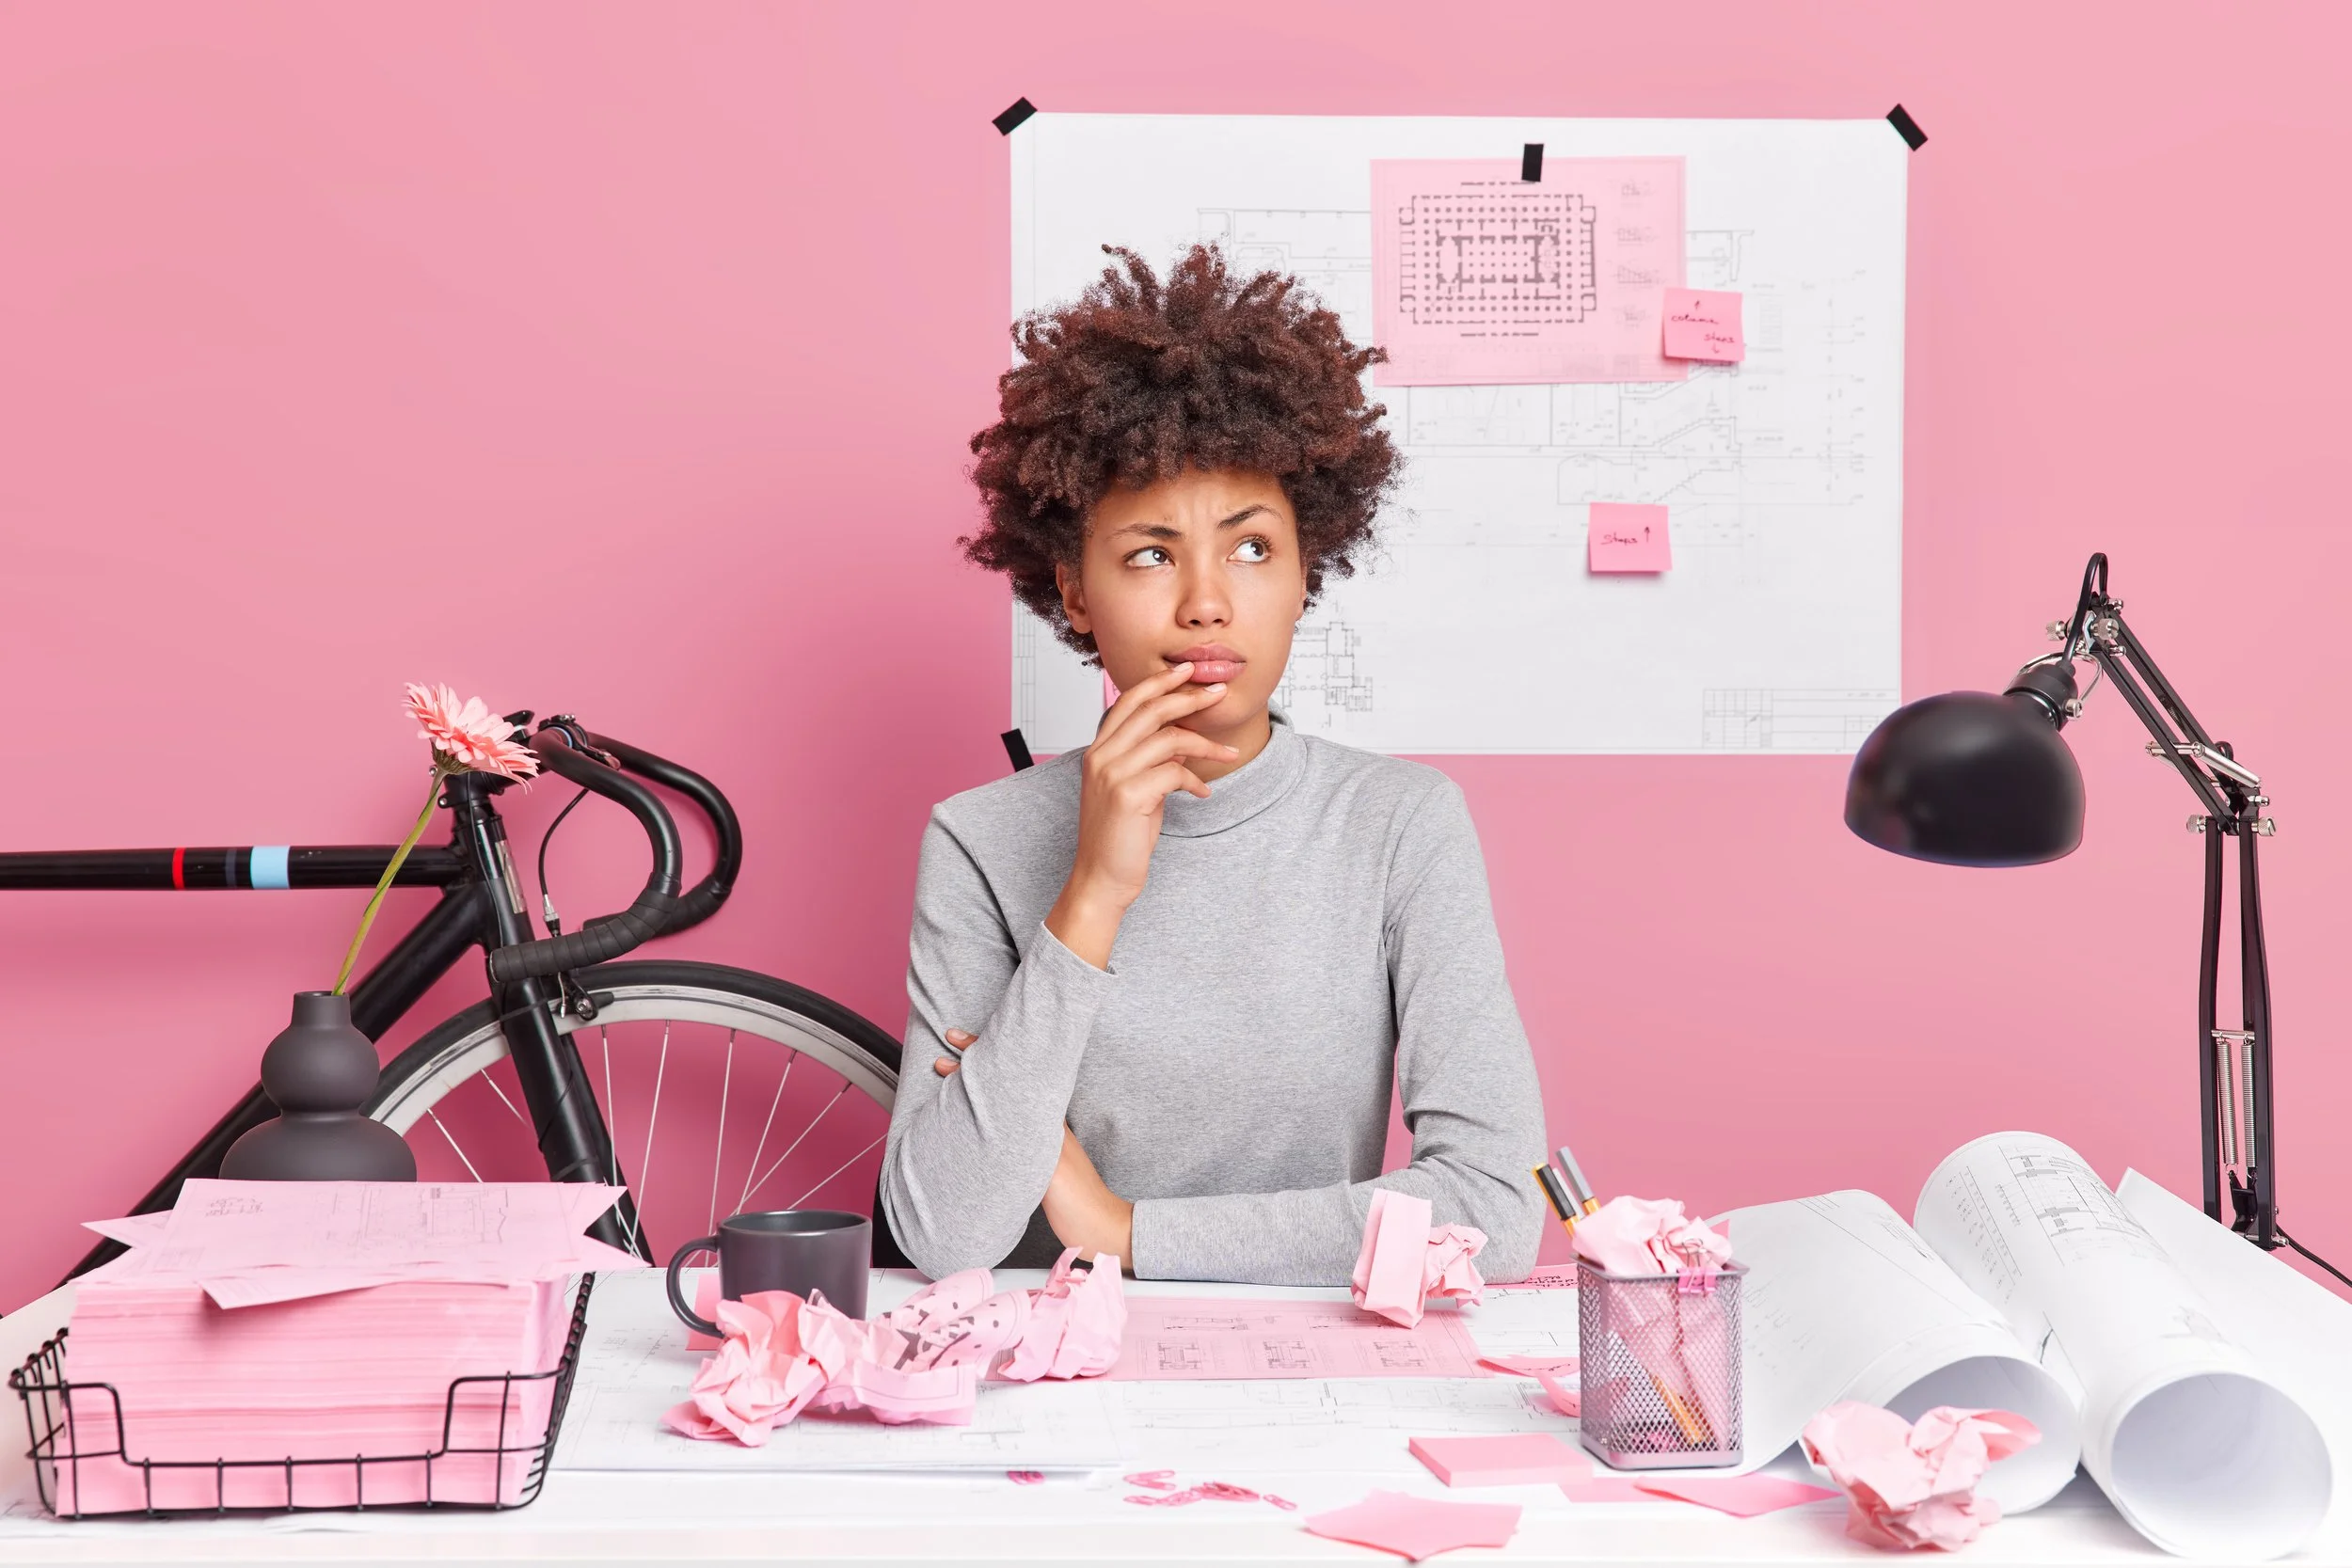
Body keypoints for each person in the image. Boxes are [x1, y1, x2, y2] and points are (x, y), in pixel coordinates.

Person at [878, 244, 1547, 1286]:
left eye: (1249, 548)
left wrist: (1124, 1231)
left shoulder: (1399, 822)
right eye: (1148, 554)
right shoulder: (982, 838)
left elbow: (1494, 1213)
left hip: (1318, 1374)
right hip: (1051, 1388)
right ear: (1076, 591)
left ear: (1302, 572)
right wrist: (1093, 890)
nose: (1205, 601)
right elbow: (944, 1233)